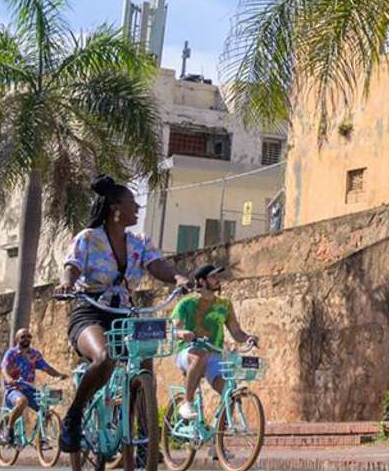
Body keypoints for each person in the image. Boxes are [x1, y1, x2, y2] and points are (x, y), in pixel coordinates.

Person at [57, 175, 186, 452]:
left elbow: (157, 266)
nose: (137, 209)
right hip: (91, 311)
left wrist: (178, 277)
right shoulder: (89, 238)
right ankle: (74, 417)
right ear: (116, 208)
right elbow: (73, 265)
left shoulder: (140, 241)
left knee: (144, 362)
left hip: (124, 314)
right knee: (105, 358)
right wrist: (67, 282)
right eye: (132, 204)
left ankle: (141, 437)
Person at [170, 263, 257, 421]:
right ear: (202, 281)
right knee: (200, 355)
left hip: (213, 354)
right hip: (188, 352)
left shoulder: (224, 304)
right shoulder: (186, 303)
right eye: (213, 276)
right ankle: (187, 403)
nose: (218, 279)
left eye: (218, 276)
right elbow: (174, 329)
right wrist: (182, 333)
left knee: (229, 392)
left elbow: (236, 332)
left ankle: (217, 437)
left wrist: (248, 338)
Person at [0, 327, 59, 439]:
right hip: (14, 389)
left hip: (29, 389)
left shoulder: (34, 354)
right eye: (23, 336)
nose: (26, 339)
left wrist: (59, 375)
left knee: (45, 409)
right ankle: (9, 429)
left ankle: (40, 438)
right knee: (22, 401)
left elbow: (46, 367)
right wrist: (10, 379)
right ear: (17, 339)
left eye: (28, 336)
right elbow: (4, 369)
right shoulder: (11, 353)